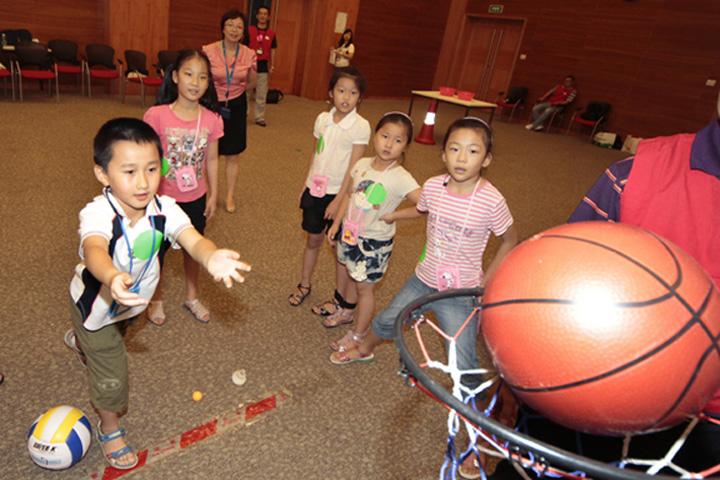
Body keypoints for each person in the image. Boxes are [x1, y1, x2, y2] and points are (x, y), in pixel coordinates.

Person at [473, 91, 720, 480]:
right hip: (584, 391)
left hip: (705, 428)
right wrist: (515, 376)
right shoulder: (632, 176)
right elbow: (548, 295)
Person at [63, 118, 251, 470]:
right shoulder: (98, 212)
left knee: (117, 334)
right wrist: (112, 276)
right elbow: (93, 250)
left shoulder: (164, 208)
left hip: (131, 306)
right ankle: (110, 427)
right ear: (103, 174)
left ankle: (82, 342)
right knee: (112, 370)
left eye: (152, 169)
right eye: (129, 171)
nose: (143, 181)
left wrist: (210, 256)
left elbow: (191, 238)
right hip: (97, 305)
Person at [330, 117, 517, 367]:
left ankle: (471, 401)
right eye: (454, 149)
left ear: (486, 159)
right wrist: (395, 215)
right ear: (443, 155)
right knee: (388, 320)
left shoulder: (491, 201)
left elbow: (510, 240)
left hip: (460, 291)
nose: (461, 158)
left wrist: (484, 285)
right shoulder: (433, 187)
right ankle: (364, 349)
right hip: (423, 279)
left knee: (462, 358)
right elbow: (421, 208)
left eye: (472, 151)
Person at [323, 112, 421, 357]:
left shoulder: (401, 177)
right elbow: (348, 195)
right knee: (347, 272)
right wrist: (336, 224)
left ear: (406, 145)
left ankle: (358, 335)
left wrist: (395, 216)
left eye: (398, 140)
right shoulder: (361, 164)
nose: (389, 144)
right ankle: (346, 311)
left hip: (374, 243)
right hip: (350, 233)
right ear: (375, 136)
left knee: (365, 289)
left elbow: (424, 205)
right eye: (385, 136)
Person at [143, 49, 224, 325]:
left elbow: (212, 159)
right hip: (161, 199)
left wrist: (214, 193)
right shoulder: (156, 115)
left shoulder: (212, 119)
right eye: (188, 74)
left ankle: (192, 296)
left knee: (194, 249)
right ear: (175, 76)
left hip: (195, 197)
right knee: (156, 253)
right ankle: (155, 299)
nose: (195, 82)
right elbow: (146, 158)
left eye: (202, 77)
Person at [287, 66, 370, 315]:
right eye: (341, 91)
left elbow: (355, 169)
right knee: (313, 239)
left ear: (360, 97)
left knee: (338, 249)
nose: (345, 97)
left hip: (338, 194)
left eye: (352, 93)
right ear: (331, 93)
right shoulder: (322, 120)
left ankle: (340, 298)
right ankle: (304, 284)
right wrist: (306, 183)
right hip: (316, 189)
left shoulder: (360, 126)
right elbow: (316, 152)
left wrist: (340, 201)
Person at [203, 9, 257, 213]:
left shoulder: (249, 54)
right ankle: (212, 193)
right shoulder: (208, 51)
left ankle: (229, 196)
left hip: (236, 105)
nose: (234, 30)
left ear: (243, 31)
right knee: (211, 152)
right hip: (212, 105)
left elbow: (251, 82)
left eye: (239, 26)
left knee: (233, 154)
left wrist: (234, 93)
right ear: (223, 28)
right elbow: (203, 78)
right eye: (230, 25)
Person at [247, 5, 277, 127]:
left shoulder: (271, 33)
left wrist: (272, 66)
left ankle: (259, 117)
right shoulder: (249, 30)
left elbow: (273, 50)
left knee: (261, 93)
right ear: (257, 16)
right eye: (261, 14)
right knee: (246, 92)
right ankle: (244, 114)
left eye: (265, 14)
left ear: (268, 17)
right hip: (250, 66)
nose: (263, 16)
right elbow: (244, 47)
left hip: (263, 67)